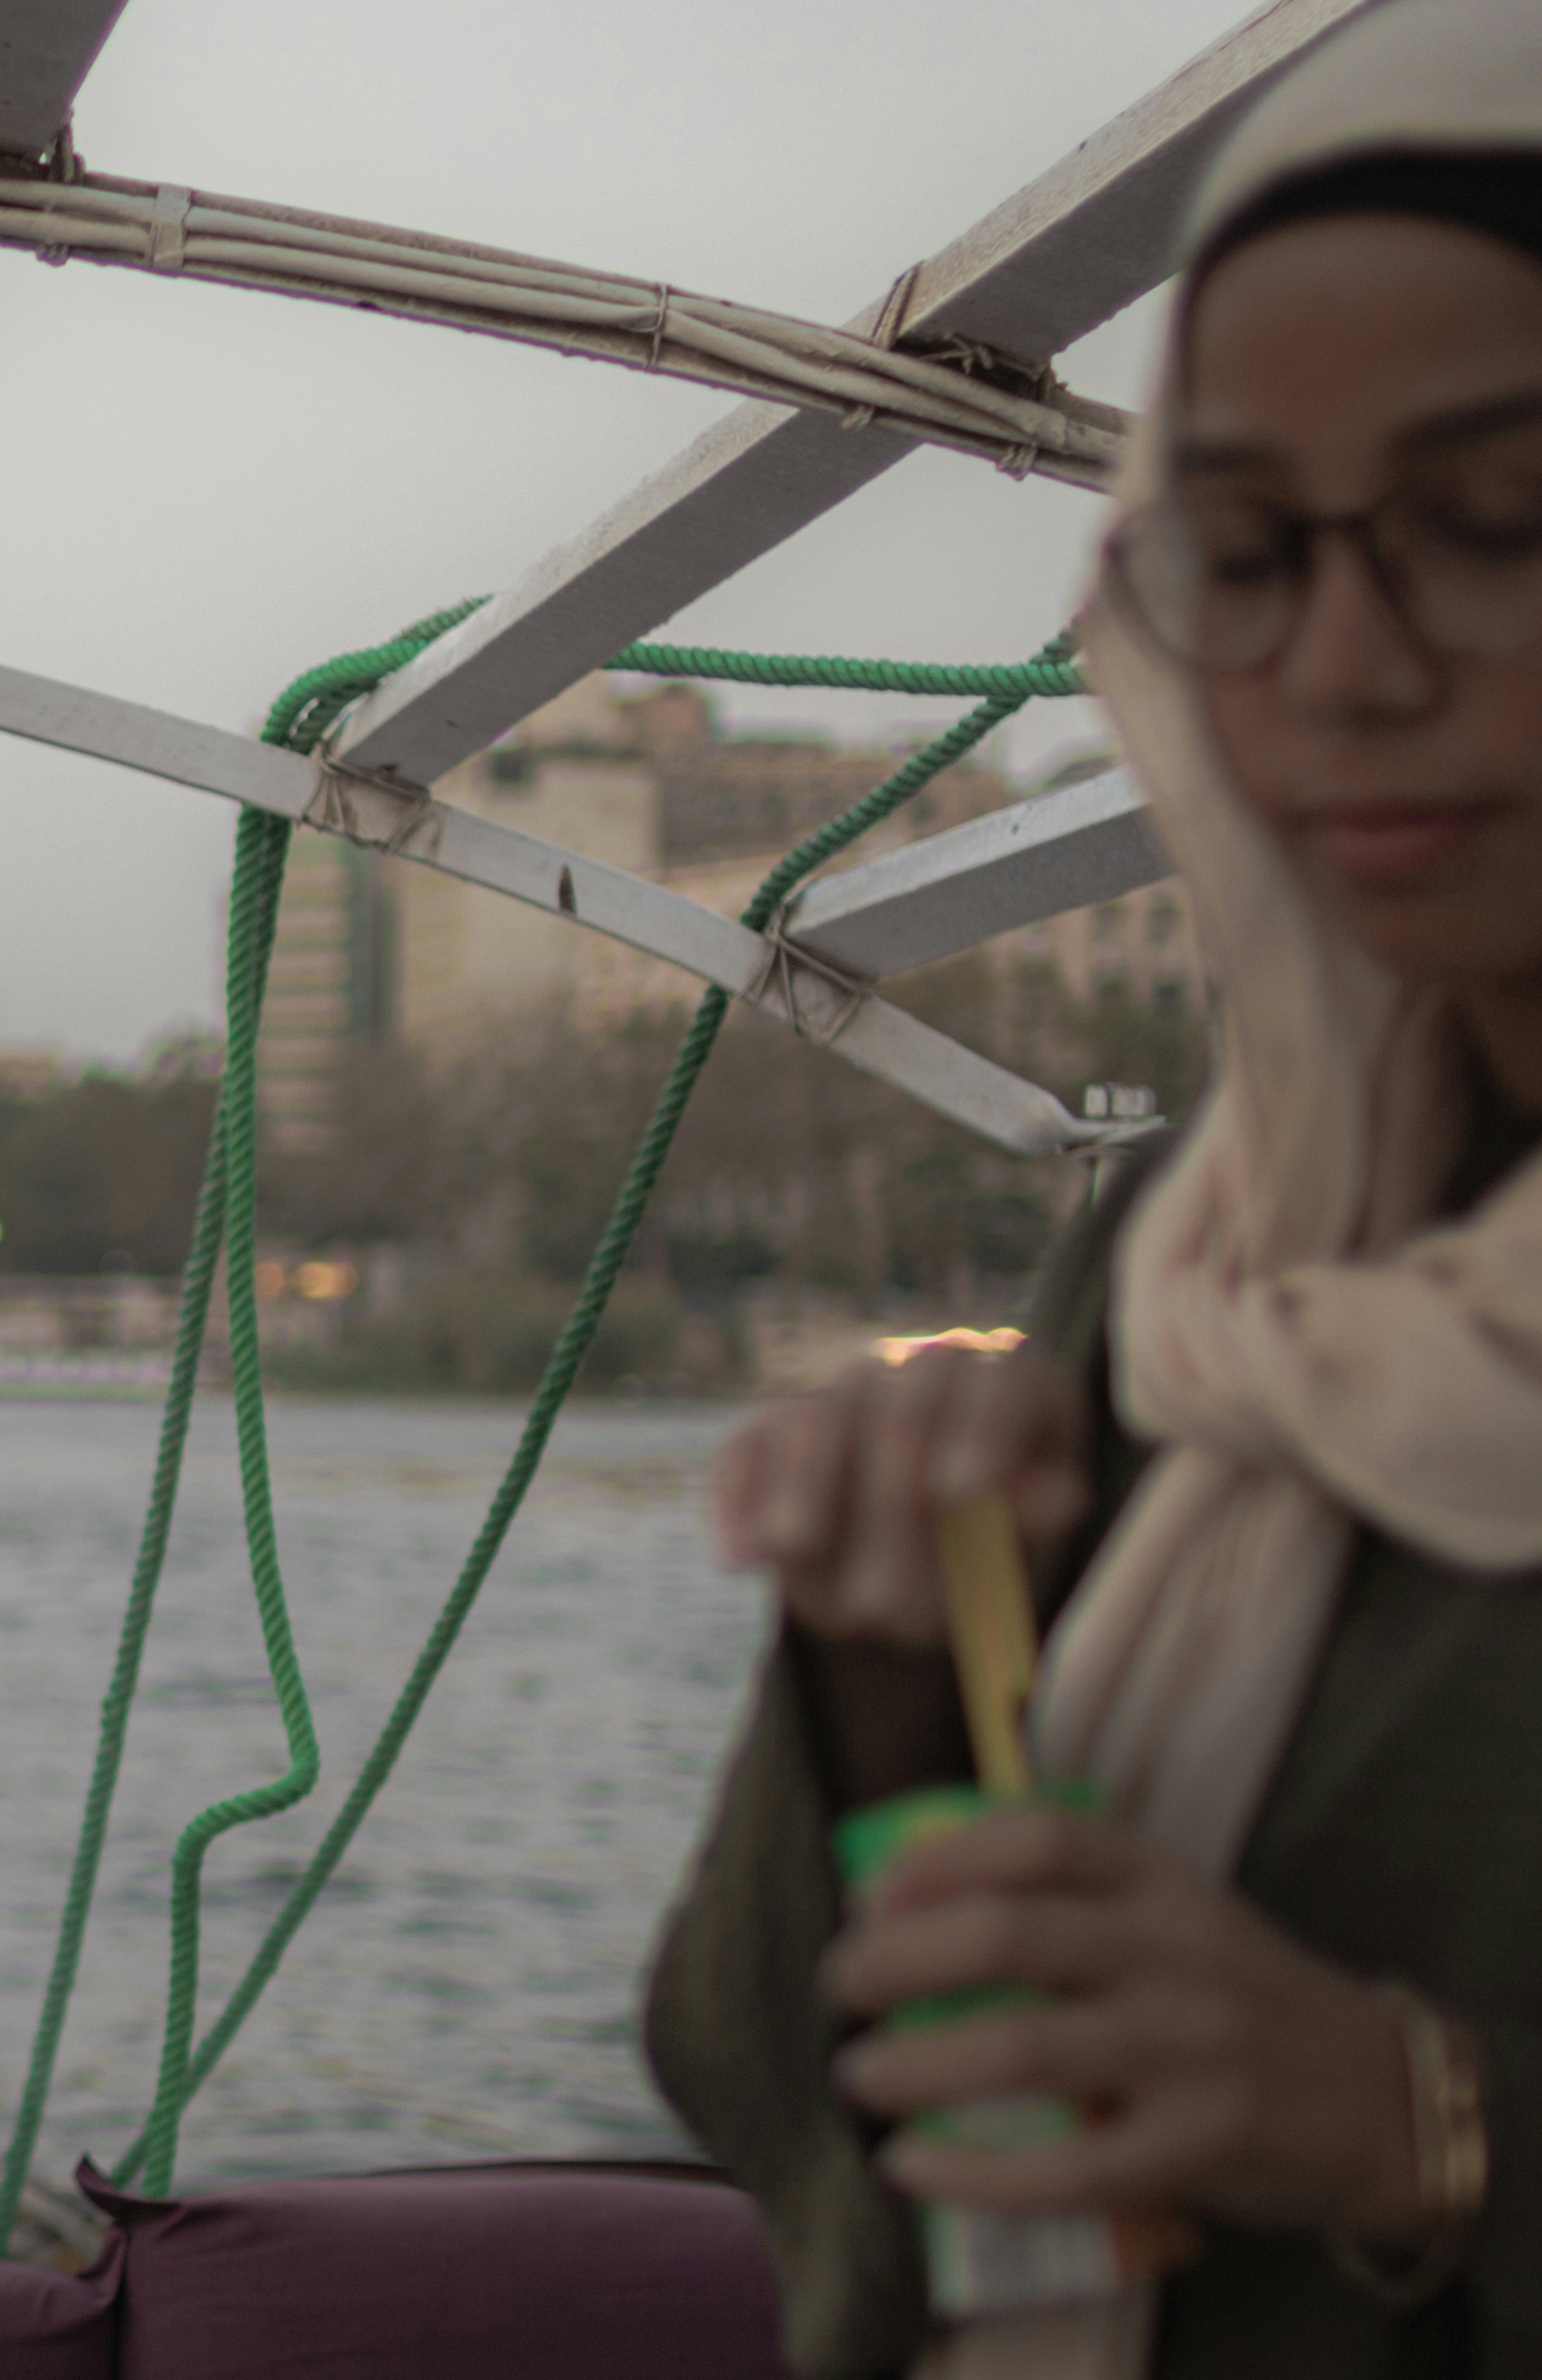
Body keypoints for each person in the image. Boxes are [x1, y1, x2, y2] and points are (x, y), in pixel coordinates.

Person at [646, 4, 1542, 2373]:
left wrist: (1423, 2130)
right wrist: (900, 1679)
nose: (1340, 665)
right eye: (1245, 551)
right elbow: (789, 2091)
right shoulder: (1223, 1259)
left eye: (1499, 515)